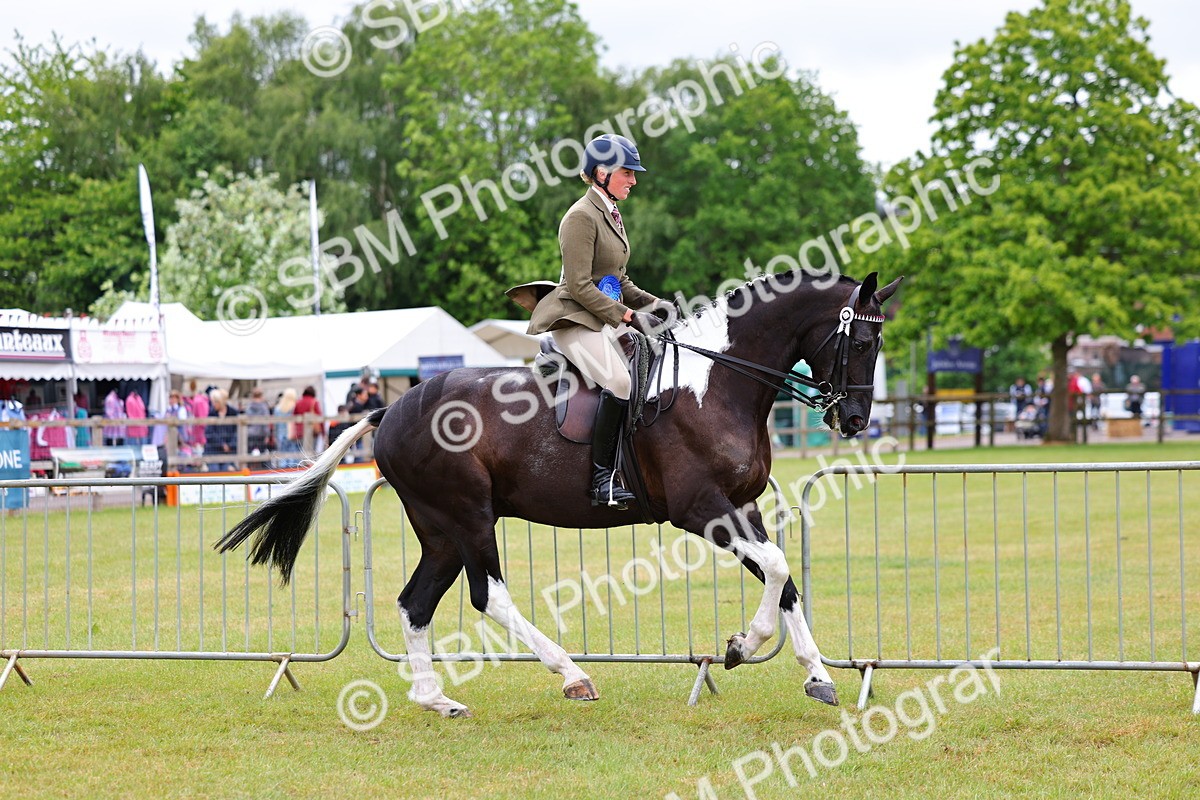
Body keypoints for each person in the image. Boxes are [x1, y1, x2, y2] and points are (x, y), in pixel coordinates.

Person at [519, 134, 677, 509]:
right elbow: (577, 285)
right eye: (628, 173)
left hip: (602, 317)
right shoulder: (579, 217)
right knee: (620, 381)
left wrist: (658, 305)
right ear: (602, 173)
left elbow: (619, 280)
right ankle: (602, 479)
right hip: (574, 319)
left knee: (654, 357)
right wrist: (626, 315)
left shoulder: (611, 214)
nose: (633, 180)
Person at [207, 388, 240, 472]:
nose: (213, 404)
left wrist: (230, 445)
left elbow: (237, 432)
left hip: (229, 452)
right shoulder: (211, 414)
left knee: (228, 470)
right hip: (214, 451)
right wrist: (222, 444)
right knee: (214, 472)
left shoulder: (233, 413)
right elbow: (209, 433)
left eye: (215, 402)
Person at [273, 388, 301, 468]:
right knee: (293, 454)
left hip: (280, 434)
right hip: (292, 434)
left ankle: (283, 469)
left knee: (282, 454)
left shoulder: (277, 408)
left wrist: (275, 435)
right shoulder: (294, 407)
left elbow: (276, 424)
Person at [243, 387, 272, 461]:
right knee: (262, 455)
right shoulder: (264, 406)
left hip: (250, 433)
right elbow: (265, 422)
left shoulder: (249, 406)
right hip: (260, 434)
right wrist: (267, 435)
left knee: (249, 454)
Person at [293, 385, 324, 453]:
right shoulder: (314, 402)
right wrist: (323, 431)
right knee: (312, 452)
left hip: (300, 432)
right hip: (313, 431)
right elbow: (319, 418)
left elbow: (294, 417)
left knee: (302, 452)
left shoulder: (298, 402)